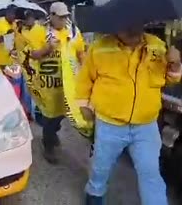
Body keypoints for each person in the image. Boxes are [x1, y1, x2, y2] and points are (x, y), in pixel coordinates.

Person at [76, 26, 181, 205]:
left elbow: (171, 79)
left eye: (136, 24)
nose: (133, 30)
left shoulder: (158, 46)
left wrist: (176, 64)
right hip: (109, 125)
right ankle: (95, 193)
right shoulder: (100, 48)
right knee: (101, 167)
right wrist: (84, 106)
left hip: (146, 127)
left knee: (150, 172)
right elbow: (84, 81)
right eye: (127, 25)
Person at [27, 2, 85, 164]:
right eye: (60, 17)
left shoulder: (73, 31)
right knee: (50, 116)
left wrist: (86, 71)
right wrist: (47, 48)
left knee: (63, 114)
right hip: (48, 83)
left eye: (66, 16)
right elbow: (34, 55)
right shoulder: (39, 31)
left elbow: (81, 53)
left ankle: (52, 134)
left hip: (68, 83)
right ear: (51, 16)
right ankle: (48, 145)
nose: (64, 20)